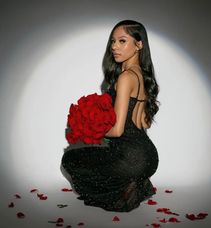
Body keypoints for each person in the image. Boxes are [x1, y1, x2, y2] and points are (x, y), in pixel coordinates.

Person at [61, 19, 160, 212]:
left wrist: (88, 129)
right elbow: (145, 123)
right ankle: (135, 183)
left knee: (70, 160)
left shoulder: (125, 78)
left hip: (129, 159)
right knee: (88, 157)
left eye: (122, 41)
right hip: (149, 157)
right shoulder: (143, 75)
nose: (114, 46)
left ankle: (125, 190)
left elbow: (117, 131)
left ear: (139, 44)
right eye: (113, 41)